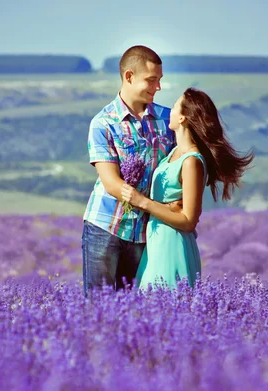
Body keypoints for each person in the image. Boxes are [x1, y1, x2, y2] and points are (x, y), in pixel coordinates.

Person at [121, 87, 254, 290]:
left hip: (173, 245)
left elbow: (189, 221)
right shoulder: (174, 152)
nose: (170, 111)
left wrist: (143, 202)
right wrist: (165, 206)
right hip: (157, 242)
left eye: (174, 106)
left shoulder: (192, 162)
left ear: (182, 118)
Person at [82, 45, 179, 295]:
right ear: (129, 77)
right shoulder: (103, 123)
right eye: (151, 80)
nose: (157, 87)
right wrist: (144, 202)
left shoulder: (168, 121)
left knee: (134, 309)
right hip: (105, 227)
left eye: (159, 80)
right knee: (99, 307)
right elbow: (111, 182)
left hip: (147, 231)